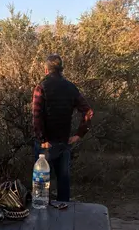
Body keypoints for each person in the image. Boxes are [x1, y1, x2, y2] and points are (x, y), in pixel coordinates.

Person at [32, 54, 93, 202]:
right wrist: (79, 134)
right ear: (61, 70)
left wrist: (42, 139)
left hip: (45, 145)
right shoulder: (71, 88)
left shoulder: (41, 87)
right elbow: (88, 112)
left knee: (41, 184)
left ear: (46, 70)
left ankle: (41, 218)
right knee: (63, 182)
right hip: (64, 142)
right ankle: (63, 217)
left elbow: (36, 115)